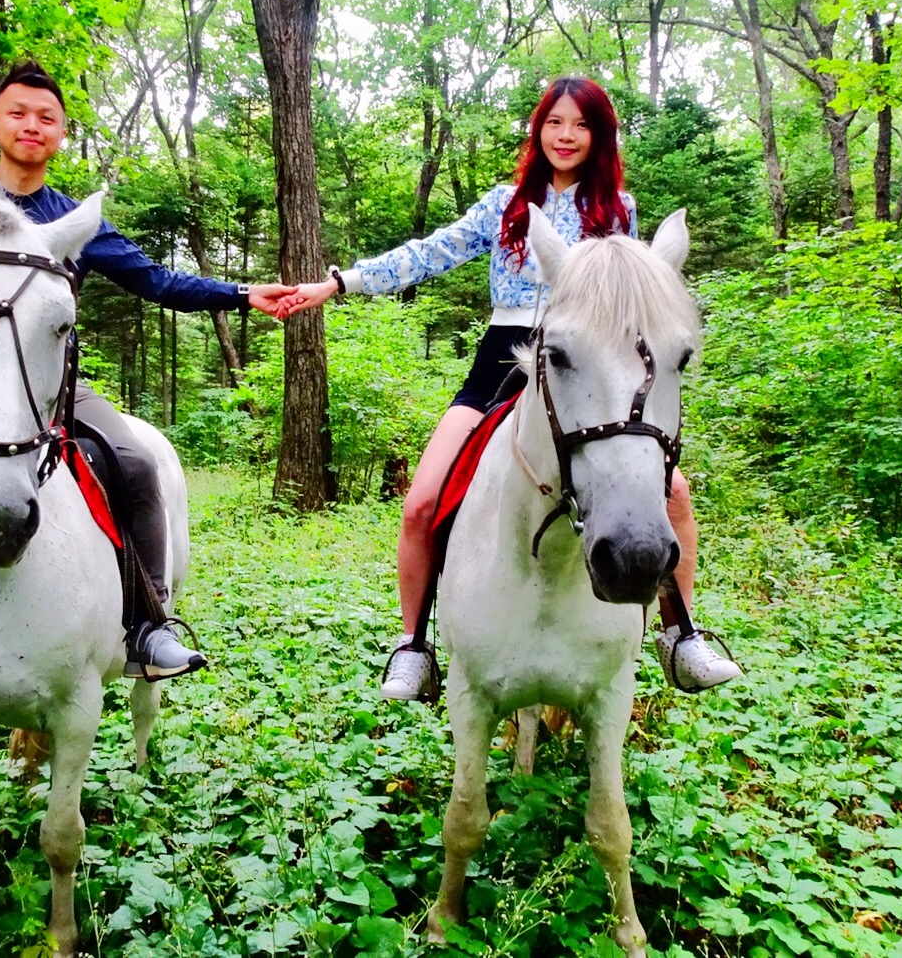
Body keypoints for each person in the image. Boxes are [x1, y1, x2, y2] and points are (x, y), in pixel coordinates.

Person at [0, 60, 295, 728]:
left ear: (60, 134)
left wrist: (241, 293)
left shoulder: (70, 219)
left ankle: (145, 625)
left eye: (46, 117)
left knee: (133, 463)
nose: (32, 125)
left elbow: (156, 280)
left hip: (49, 390)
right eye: (18, 113)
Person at [283, 77, 741, 701]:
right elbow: (430, 253)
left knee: (676, 495)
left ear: (599, 135)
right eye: (555, 122)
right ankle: (414, 645)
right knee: (422, 502)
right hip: (503, 355)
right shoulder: (505, 204)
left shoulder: (618, 211)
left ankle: (681, 634)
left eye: (581, 124)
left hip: (588, 367)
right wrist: (341, 283)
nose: (566, 136)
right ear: (538, 129)